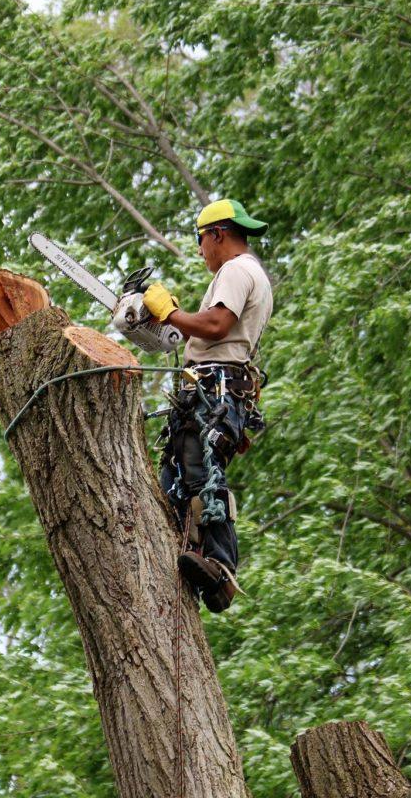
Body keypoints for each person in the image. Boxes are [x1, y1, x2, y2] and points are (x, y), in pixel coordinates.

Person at [142, 199, 273, 612]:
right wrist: (171, 323)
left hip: (216, 388)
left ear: (217, 233)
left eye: (201, 241)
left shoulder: (236, 270)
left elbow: (216, 325)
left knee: (200, 472)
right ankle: (186, 550)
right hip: (207, 387)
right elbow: (209, 330)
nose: (201, 251)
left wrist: (173, 314)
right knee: (175, 478)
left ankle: (220, 568)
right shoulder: (250, 273)